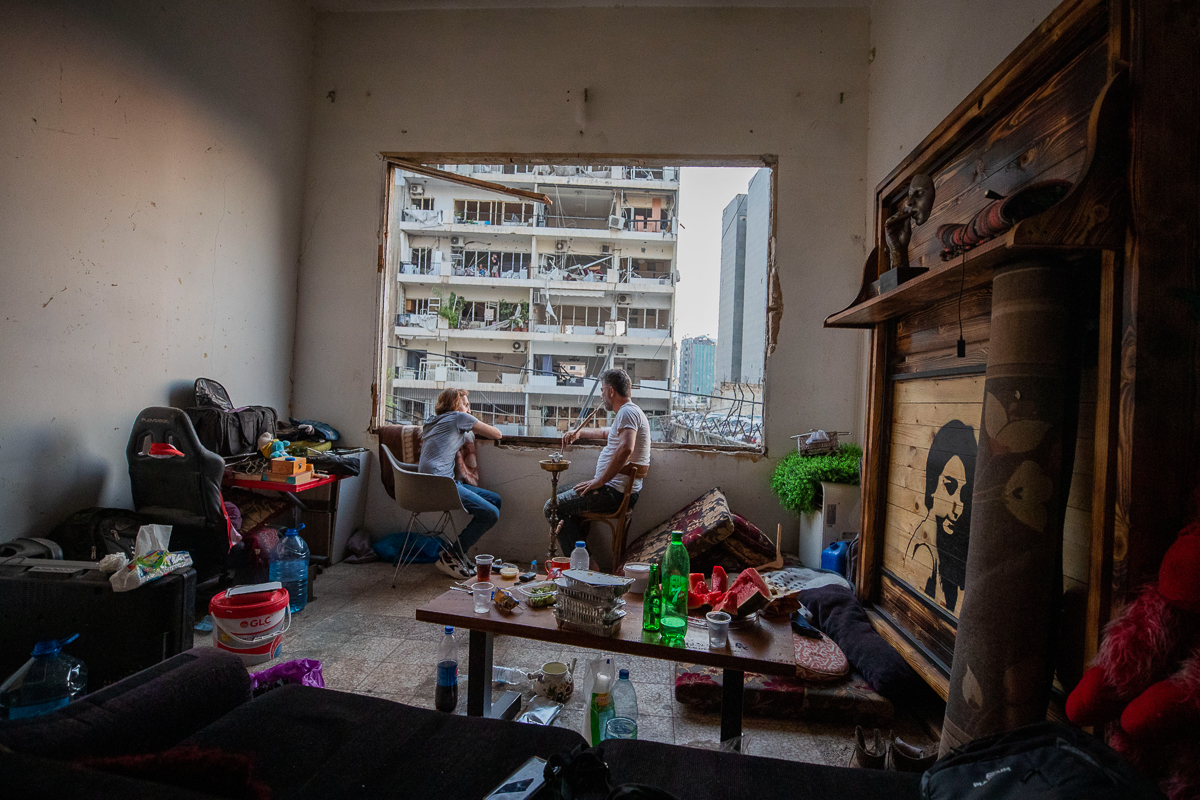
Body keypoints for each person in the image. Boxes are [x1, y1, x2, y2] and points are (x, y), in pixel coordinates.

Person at [544, 368, 650, 567]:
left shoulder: (627, 412)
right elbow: (605, 434)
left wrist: (600, 481)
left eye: (602, 390)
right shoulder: (629, 412)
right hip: (614, 489)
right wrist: (579, 433)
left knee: (552, 508)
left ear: (611, 391)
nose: (601, 395)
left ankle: (585, 565)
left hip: (612, 493)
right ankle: (580, 559)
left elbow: (627, 447)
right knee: (560, 498)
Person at [419, 388, 503, 579]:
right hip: (441, 485)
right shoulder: (458, 417)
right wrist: (467, 419)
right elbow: (496, 434)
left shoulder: (433, 421)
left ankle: (457, 551)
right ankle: (453, 554)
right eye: (465, 404)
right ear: (455, 406)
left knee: (495, 500)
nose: (468, 408)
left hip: (426, 483)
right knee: (491, 513)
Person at [904, 420, 977, 613]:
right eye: (949, 486)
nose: (958, 508)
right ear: (932, 485)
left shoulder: (952, 547)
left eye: (964, 493)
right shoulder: (924, 552)